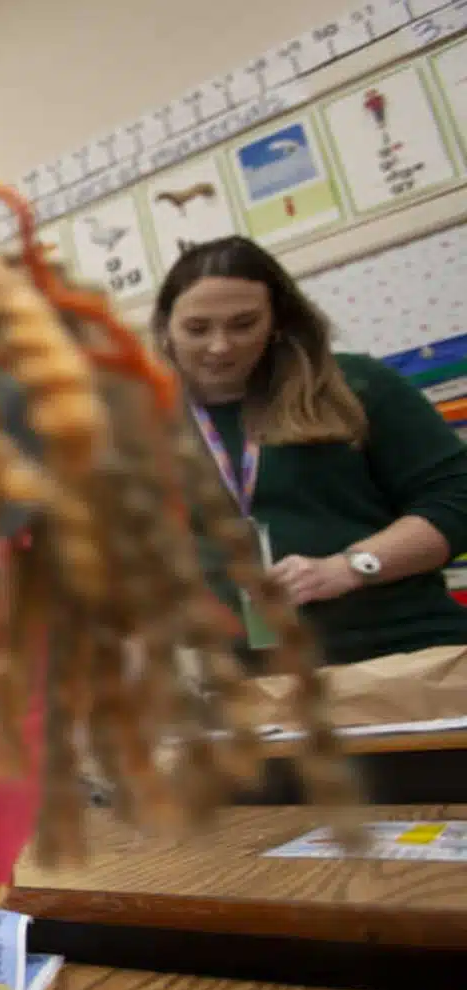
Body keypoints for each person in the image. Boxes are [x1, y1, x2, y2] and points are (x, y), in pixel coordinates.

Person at [153, 236, 467, 667]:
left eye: (244, 324)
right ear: (165, 327)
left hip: (399, 656)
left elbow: (455, 498)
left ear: (278, 321)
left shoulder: (354, 387)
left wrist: (350, 567)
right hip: (249, 682)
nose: (220, 345)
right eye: (197, 328)